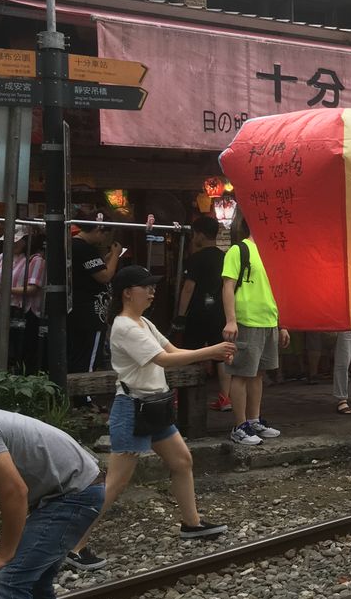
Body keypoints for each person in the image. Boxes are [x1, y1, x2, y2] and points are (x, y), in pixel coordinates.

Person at [69, 265, 233, 572]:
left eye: (152, 286)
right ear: (127, 293)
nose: (152, 291)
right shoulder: (124, 327)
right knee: (115, 483)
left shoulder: (143, 322)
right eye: (146, 286)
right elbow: (164, 359)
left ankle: (192, 524)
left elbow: (173, 350)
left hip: (154, 407)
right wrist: (210, 351)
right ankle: (73, 545)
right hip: (133, 409)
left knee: (182, 461)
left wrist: (210, 352)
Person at [0, 410, 104, 599]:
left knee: (11, 581)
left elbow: (14, 491)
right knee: (35, 583)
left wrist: (5, 553)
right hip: (69, 491)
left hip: (73, 494)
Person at [221, 216, 289, 446]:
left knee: (258, 373)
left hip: (268, 319)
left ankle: (253, 420)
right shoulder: (238, 250)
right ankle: (239, 426)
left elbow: (277, 289)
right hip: (247, 320)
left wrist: (282, 324)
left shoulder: (272, 253)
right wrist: (231, 320)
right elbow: (228, 286)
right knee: (241, 373)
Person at [174, 216, 230, 412]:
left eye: (194, 233)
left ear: (200, 235)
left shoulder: (196, 259)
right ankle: (225, 398)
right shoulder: (225, 257)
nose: (193, 237)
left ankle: (182, 398)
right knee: (221, 355)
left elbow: (188, 288)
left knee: (188, 352)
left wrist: (180, 315)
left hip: (198, 312)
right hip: (220, 312)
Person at [68, 220, 122, 374]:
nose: (105, 240)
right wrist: (116, 255)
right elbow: (104, 276)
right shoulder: (83, 248)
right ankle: (84, 388)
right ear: (99, 229)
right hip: (90, 313)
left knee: (78, 355)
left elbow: (95, 269)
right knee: (88, 359)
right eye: (106, 235)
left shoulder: (76, 246)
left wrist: (107, 259)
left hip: (79, 310)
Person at [0, 226, 44, 373]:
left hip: (24, 311)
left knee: (22, 349)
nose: (13, 244)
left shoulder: (35, 260)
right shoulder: (3, 257)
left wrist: (3, 289)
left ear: (26, 241)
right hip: (1, 307)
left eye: (17, 241)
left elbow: (32, 289)